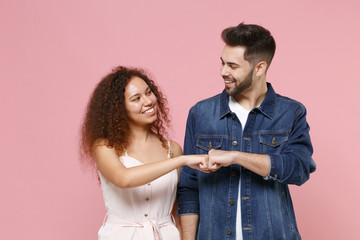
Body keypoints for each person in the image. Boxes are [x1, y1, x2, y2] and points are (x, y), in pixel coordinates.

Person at [177, 23, 316, 240]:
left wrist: (236, 157)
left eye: (233, 66)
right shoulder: (200, 113)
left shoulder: (291, 112)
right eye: (222, 63)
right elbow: (188, 186)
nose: (223, 72)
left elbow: (299, 168)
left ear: (259, 68)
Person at [80, 66, 207, 240]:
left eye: (149, 92)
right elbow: (124, 178)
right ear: (119, 108)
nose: (148, 101)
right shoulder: (104, 147)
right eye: (136, 98)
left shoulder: (173, 149)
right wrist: (182, 161)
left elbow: (178, 209)